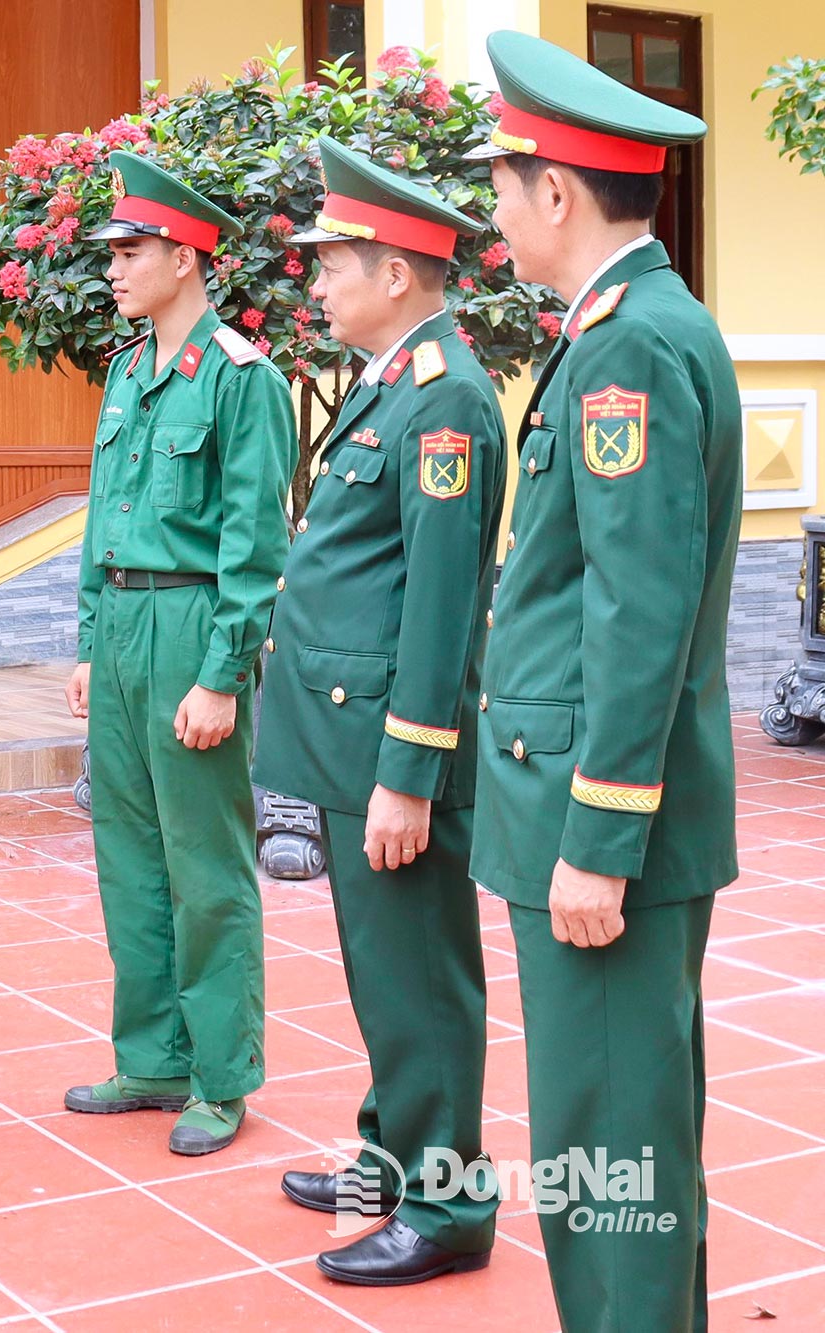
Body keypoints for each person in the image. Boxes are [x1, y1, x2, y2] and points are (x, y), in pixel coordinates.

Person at [464, 29, 741, 1332]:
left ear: (558, 192)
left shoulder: (629, 345)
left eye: (504, 186)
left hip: (596, 822)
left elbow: (640, 610)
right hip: (583, 804)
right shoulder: (626, 330)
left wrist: (599, 840)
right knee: (621, 1141)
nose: (497, 211)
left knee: (608, 1157)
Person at [255, 135, 506, 1283]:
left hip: (391, 752)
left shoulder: (444, 400)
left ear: (394, 273)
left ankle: (445, 1210)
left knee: (417, 977)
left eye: (331, 264)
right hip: (352, 741)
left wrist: (407, 772)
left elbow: (442, 607)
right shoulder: (396, 384)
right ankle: (387, 1160)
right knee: (381, 968)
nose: (315, 283)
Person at [63, 150, 296, 1156]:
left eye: (129, 249)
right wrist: (82, 640)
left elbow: (255, 547)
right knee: (127, 855)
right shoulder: (124, 373)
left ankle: (218, 1073)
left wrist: (220, 671)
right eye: (110, 251)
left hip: (188, 632)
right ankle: (150, 1057)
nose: (112, 268)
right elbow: (99, 522)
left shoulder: (242, 380)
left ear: (185, 253)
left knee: (205, 864)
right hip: (119, 628)